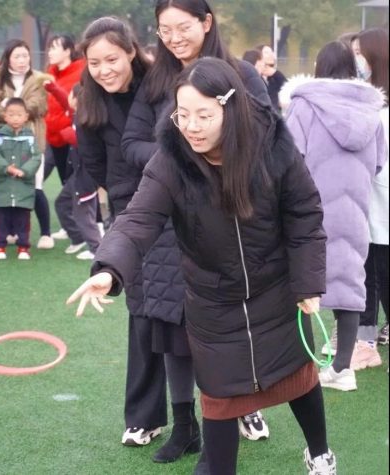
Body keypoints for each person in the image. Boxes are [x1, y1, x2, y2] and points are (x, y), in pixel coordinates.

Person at [67, 57, 336, 475]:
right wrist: (109, 268)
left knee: (298, 377)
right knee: (220, 399)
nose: (191, 126)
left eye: (204, 115)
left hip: (276, 290)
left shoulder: (272, 144)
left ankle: (320, 454)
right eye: (182, 114)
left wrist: (307, 283)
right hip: (212, 300)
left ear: (231, 109)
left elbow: (304, 214)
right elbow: (138, 219)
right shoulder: (171, 159)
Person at [121, 1, 271, 469]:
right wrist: (177, 156)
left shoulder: (241, 75)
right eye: (163, 30)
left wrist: (206, 152)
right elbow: (131, 143)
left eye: (182, 27)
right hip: (169, 223)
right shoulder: (156, 81)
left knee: (225, 329)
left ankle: (235, 413)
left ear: (206, 22)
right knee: (172, 327)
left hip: (228, 220)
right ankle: (184, 426)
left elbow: (266, 136)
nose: (173, 38)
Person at [75, 17, 165, 449]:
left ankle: (241, 404)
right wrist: (126, 194)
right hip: (131, 208)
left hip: (183, 199)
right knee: (143, 309)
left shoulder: (161, 84)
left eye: (111, 59)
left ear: (131, 50)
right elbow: (93, 164)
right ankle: (144, 418)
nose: (104, 70)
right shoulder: (89, 101)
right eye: (94, 63)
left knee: (206, 308)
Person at [284, 41, 387, 391]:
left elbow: (289, 156)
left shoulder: (304, 105)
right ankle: (343, 368)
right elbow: (378, 161)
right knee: (350, 283)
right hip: (355, 209)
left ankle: (301, 367)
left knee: (300, 282)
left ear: (318, 66)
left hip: (310, 207)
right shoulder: (371, 111)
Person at [0, 39, 53, 250]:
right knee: (5, 186)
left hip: (32, 140)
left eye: (25, 55)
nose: (22, 60)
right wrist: (14, 112)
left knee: (35, 186)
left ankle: (45, 233)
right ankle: (7, 233)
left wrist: (10, 108)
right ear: (8, 58)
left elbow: (39, 106)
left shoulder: (38, 78)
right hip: (4, 142)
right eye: (17, 56)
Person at [351, 28, 389, 368]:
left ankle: (366, 340)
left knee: (381, 271)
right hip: (370, 202)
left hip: (381, 201)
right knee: (369, 272)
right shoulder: (368, 102)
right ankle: (365, 340)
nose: (357, 61)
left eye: (359, 54)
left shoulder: (378, 109)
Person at [44, 81, 101, 260]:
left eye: (71, 94)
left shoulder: (89, 120)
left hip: (87, 177)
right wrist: (53, 88)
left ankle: (96, 249)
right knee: (62, 203)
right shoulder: (75, 113)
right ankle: (77, 237)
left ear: (77, 99)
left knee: (83, 214)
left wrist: (72, 137)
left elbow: (92, 145)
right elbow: (64, 101)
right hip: (77, 175)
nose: (68, 97)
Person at [44, 35, 87, 247]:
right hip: (53, 137)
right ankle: (68, 225)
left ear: (68, 51)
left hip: (72, 137)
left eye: (55, 48)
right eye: (49, 48)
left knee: (74, 184)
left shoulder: (80, 72)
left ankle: (86, 228)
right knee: (64, 181)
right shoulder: (50, 73)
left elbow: (70, 106)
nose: (50, 52)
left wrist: (66, 129)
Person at [0, 98, 41, 260]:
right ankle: (0, 247)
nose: (15, 118)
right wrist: (7, 168)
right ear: (5, 116)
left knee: (23, 219)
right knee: (1, 219)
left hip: (23, 186)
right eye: (11, 115)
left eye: (19, 115)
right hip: (3, 187)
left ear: (26, 116)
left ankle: (23, 247)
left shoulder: (30, 138)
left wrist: (25, 171)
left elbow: (36, 157)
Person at [256, 44, 287, 112]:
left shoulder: (275, 77)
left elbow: (288, 89)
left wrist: (276, 74)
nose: (271, 54)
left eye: (271, 52)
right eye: (266, 52)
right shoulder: (255, 77)